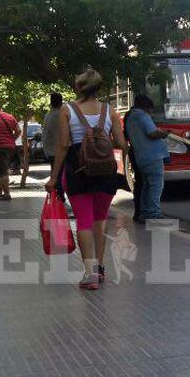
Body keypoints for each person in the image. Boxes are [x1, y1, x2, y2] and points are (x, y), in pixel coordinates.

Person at [46, 69, 127, 290]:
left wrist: (53, 178)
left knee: (84, 221)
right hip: (105, 172)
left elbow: (62, 145)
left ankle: (90, 273)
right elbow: (120, 142)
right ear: (98, 88)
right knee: (100, 220)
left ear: (78, 87)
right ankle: (100, 269)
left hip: (77, 171)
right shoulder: (110, 111)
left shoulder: (67, 110)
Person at [125, 94, 170, 222]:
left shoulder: (129, 118)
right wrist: (164, 133)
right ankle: (153, 213)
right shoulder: (142, 115)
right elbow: (152, 133)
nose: (151, 113)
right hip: (153, 156)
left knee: (146, 186)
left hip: (140, 157)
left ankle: (144, 212)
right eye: (150, 110)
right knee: (156, 185)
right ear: (146, 107)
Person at [42, 93, 64, 198]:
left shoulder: (48, 114)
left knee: (55, 172)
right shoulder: (61, 114)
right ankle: (59, 195)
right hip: (59, 150)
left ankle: (58, 195)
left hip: (50, 149)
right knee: (59, 174)